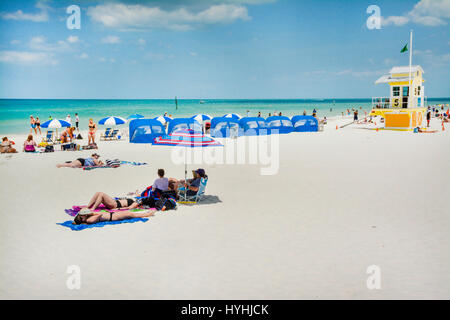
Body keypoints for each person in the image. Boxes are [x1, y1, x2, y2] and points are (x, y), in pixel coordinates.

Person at [73, 208, 156, 225]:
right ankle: (149, 214)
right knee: (132, 215)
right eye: (81, 217)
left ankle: (146, 212)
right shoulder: (89, 220)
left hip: (113, 215)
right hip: (113, 217)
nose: (83, 216)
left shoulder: (88, 218)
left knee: (130, 213)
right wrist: (91, 213)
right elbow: (100, 214)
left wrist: (88, 213)